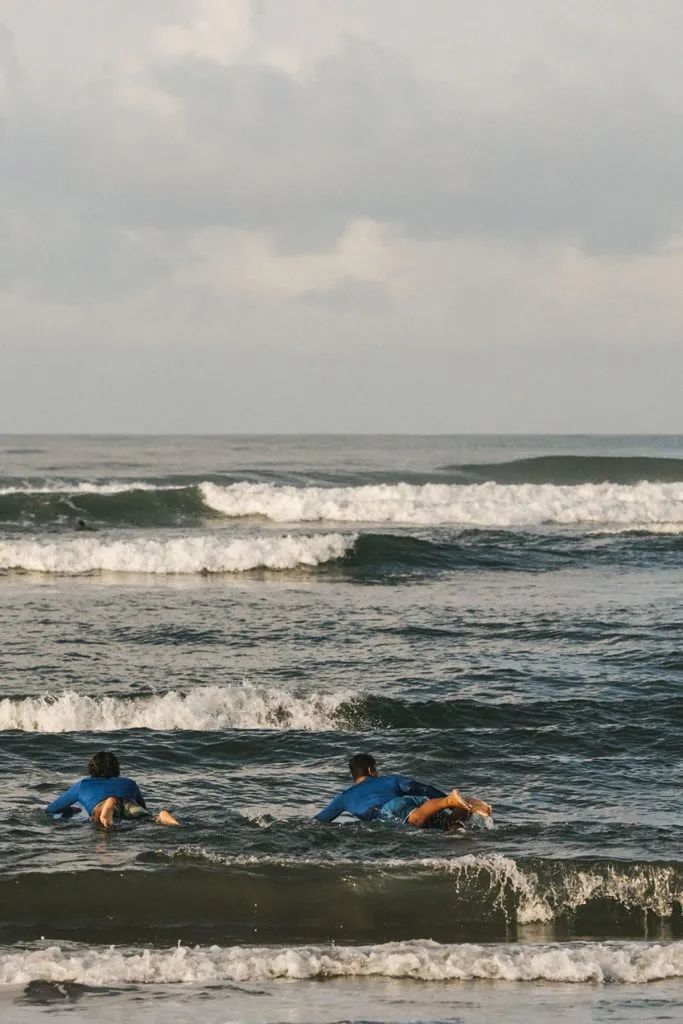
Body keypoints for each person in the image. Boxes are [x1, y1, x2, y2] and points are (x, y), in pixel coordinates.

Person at [314, 753, 491, 831]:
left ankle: (450, 801)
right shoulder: (390, 779)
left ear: (354, 775)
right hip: (417, 801)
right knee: (450, 825)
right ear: (370, 770)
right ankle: (469, 805)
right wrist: (444, 798)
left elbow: (320, 821)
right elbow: (423, 789)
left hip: (391, 809)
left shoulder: (344, 797)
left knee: (415, 820)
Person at [47, 751, 180, 827]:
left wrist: (69, 809)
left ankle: (108, 806)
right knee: (147, 818)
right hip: (129, 804)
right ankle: (162, 816)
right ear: (117, 768)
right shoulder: (129, 783)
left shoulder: (83, 784)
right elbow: (143, 807)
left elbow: (52, 809)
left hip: (104, 805)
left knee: (98, 816)